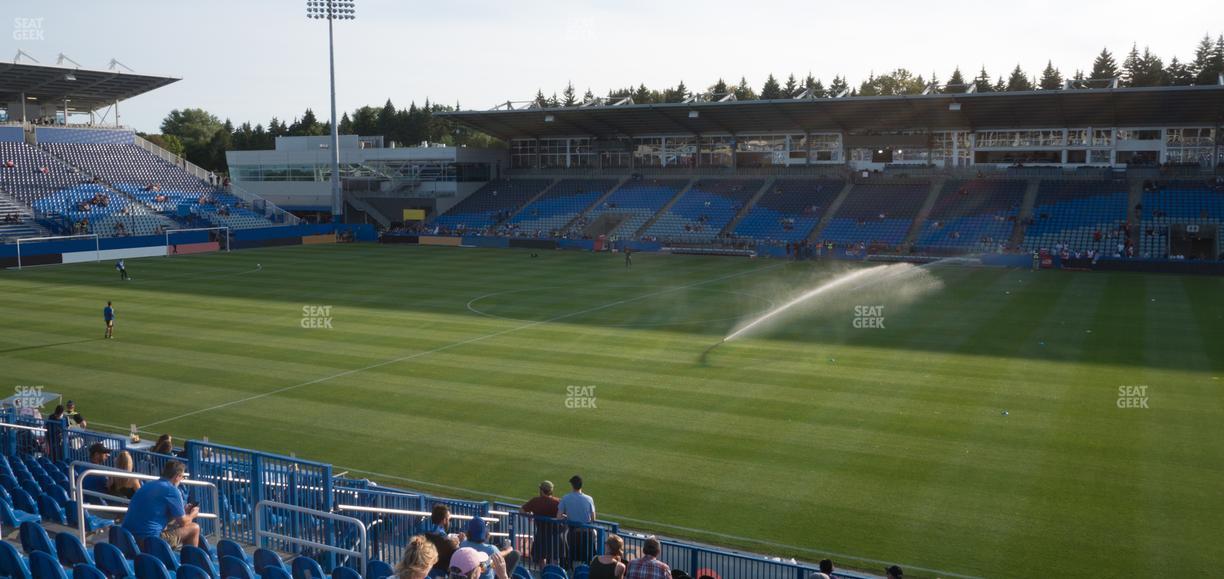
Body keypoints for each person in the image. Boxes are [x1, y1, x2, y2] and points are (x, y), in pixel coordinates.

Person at [122, 460, 200, 548]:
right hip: (149, 541)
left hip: (127, 538)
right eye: (182, 477)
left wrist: (182, 512)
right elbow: (183, 523)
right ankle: (190, 561)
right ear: (177, 476)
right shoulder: (172, 490)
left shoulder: (148, 485)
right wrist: (192, 515)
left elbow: (156, 517)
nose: (182, 480)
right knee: (194, 528)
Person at [557, 475, 597, 569]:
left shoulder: (566, 498)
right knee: (588, 556)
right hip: (587, 532)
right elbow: (593, 518)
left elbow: (558, 516)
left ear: (572, 485)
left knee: (573, 556)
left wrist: (567, 516)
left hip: (573, 533)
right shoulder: (589, 498)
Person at [521, 480, 561, 565]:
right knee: (555, 557)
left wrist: (529, 515)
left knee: (541, 557)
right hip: (554, 534)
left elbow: (521, 510)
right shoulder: (558, 502)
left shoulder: (535, 501)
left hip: (541, 533)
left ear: (542, 490)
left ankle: (543, 574)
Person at [423, 505, 460, 576]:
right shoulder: (447, 542)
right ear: (444, 520)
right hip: (441, 574)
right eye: (449, 519)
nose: (449, 522)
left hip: (426, 573)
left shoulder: (425, 536)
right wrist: (457, 544)